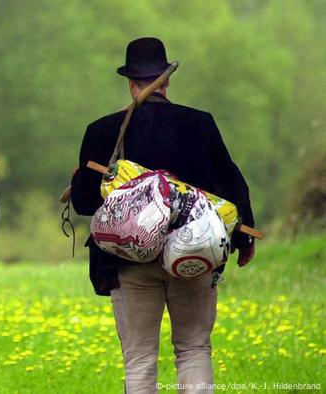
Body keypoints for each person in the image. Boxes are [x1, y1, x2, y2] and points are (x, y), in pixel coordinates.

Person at [70, 37, 255, 393]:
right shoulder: (199, 124)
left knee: (139, 359)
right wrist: (244, 238)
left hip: (127, 261)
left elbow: (83, 203)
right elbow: (231, 183)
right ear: (166, 79)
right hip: (193, 253)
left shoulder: (102, 130)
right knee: (193, 349)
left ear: (129, 80)